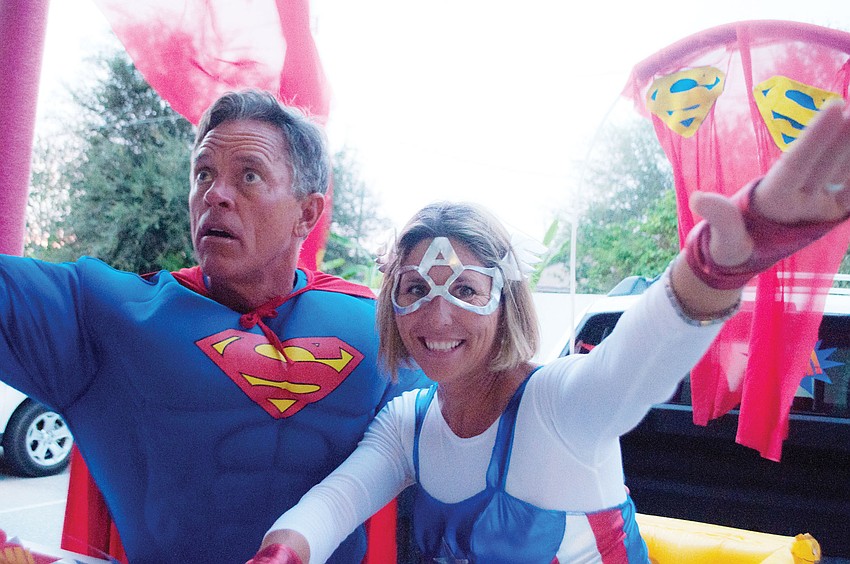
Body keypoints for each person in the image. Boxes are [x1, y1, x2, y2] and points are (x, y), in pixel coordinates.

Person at [248, 99, 850, 564]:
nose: (437, 317)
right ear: (393, 308)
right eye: (414, 291)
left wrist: (716, 267)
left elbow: (635, 362)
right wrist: (283, 550)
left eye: (465, 290)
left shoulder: (559, 408)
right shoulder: (409, 423)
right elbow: (336, 502)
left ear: (504, 301)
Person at [0, 89, 423, 564]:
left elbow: (483, 427)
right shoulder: (105, 314)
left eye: (249, 176)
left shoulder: (380, 329)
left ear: (307, 213)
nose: (215, 195)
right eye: (203, 174)